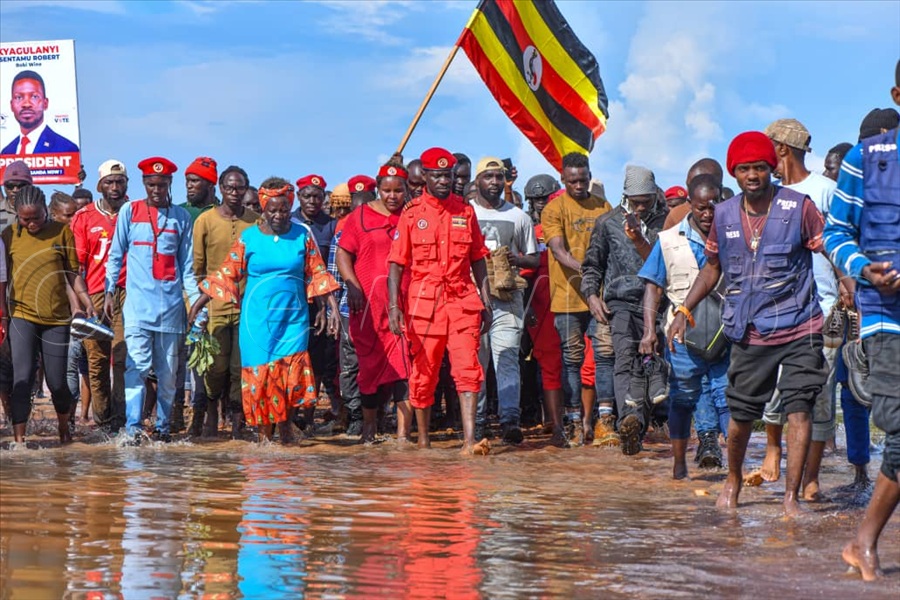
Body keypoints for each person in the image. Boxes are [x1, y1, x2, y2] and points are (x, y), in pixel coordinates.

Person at [668, 131, 826, 517]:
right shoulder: (723, 215)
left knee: (799, 409)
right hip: (750, 329)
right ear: (734, 174)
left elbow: (829, 248)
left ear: (772, 168)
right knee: (740, 415)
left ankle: (790, 496)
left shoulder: (799, 207)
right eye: (744, 169)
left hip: (800, 323)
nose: (752, 175)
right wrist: (683, 311)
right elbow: (712, 268)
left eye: (759, 167)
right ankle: (734, 479)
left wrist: (852, 285)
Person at [189, 177, 340, 444]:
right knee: (261, 377)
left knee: (289, 375)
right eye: (273, 210)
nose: (279, 215)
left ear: (289, 206)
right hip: (256, 321)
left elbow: (317, 272)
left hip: (293, 319)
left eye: (283, 209)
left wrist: (331, 309)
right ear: (264, 209)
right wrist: (198, 305)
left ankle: (285, 431)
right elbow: (227, 274)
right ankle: (264, 437)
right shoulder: (249, 238)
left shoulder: (302, 234)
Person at [825, 60, 900, 582]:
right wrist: (862, 269)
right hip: (885, 316)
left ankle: (863, 541)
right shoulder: (865, 158)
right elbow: (835, 232)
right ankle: (863, 541)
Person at [760, 118, 845, 500]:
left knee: (819, 395)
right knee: (775, 391)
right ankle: (774, 449)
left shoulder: (825, 191)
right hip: (775, 310)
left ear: (780, 149)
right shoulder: (769, 195)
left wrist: (847, 284)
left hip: (823, 307)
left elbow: (841, 240)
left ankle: (811, 476)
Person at [388, 147, 492, 454]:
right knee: (423, 373)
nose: (445, 181)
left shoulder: (466, 211)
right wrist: (394, 307)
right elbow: (396, 264)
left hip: (462, 301)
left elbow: (478, 259)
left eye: (448, 175)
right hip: (424, 304)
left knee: (469, 370)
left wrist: (484, 300)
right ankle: (423, 440)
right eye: (438, 175)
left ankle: (470, 441)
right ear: (426, 178)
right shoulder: (411, 214)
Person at [104, 157, 201, 445]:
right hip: (136, 310)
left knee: (169, 375)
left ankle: (162, 428)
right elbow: (115, 255)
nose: (156, 190)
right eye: (151, 184)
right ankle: (133, 427)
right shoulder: (129, 212)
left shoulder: (181, 218)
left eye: (161, 184)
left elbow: (188, 268)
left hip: (171, 312)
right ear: (144, 184)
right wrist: (110, 291)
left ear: (170, 184)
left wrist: (197, 305)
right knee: (137, 368)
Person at [639, 174, 730, 478]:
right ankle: (679, 466)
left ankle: (735, 469)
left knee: (728, 397)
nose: (708, 214)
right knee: (682, 397)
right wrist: (649, 331)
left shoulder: (733, 236)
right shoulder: (668, 241)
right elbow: (652, 286)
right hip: (682, 336)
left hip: (726, 333)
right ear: (690, 204)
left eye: (714, 206)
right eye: (702, 207)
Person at [582, 165, 669, 455]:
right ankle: (630, 420)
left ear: (656, 195)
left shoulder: (668, 222)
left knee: (652, 362)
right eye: (636, 202)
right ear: (625, 196)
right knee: (624, 359)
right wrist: (592, 296)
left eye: (646, 201)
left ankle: (639, 425)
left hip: (659, 302)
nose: (641, 207)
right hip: (620, 301)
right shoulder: (608, 223)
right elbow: (592, 265)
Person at [2, 185, 93, 443]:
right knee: (23, 377)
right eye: (25, 219)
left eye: (37, 217)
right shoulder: (9, 235)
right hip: (22, 315)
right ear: (17, 215)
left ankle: (64, 431)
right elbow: (3, 277)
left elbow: (72, 274)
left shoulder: (62, 232)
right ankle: (20, 441)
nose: (31, 224)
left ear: (47, 211)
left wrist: (86, 301)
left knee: (56, 382)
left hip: (57, 319)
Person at [337, 162, 413, 443]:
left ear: (406, 190)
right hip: (367, 307)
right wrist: (352, 285)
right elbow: (343, 255)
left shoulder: (412, 216)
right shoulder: (359, 217)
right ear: (377, 189)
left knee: (405, 369)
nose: (392, 196)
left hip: (404, 307)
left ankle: (403, 435)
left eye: (398, 190)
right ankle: (369, 430)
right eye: (386, 190)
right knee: (368, 369)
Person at [540, 152, 612, 445]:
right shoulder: (554, 209)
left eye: (583, 180)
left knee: (605, 355)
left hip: (602, 296)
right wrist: (589, 270)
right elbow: (558, 251)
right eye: (573, 181)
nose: (579, 186)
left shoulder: (602, 206)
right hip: (568, 297)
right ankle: (571, 423)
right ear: (563, 180)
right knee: (572, 359)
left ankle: (604, 421)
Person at [468, 157, 538, 444]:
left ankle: (510, 420)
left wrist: (516, 258)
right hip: (471, 298)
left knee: (508, 358)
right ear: (478, 182)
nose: (495, 182)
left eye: (499, 177)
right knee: (476, 362)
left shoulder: (519, 216)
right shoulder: (466, 213)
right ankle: (479, 421)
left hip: (508, 299)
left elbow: (534, 256)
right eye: (489, 177)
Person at [192, 165, 258, 438]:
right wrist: (197, 306)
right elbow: (197, 267)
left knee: (239, 366)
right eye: (229, 187)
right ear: (220, 188)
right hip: (214, 306)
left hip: (246, 306)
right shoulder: (205, 221)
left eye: (239, 187)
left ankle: (237, 423)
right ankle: (209, 412)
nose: (234, 192)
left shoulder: (255, 222)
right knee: (216, 366)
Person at [70, 159, 129, 435]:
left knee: (122, 355)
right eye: (109, 182)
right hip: (93, 294)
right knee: (96, 361)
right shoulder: (84, 217)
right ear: (100, 186)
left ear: (127, 184)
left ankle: (121, 420)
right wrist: (81, 304)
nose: (115, 187)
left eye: (120, 182)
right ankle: (103, 421)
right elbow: (76, 266)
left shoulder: (136, 212)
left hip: (128, 292)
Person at [522, 175, 568, 446]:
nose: (541, 203)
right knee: (549, 366)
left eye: (545, 198)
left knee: (579, 364)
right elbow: (524, 273)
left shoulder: (569, 228)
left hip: (572, 303)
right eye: (536, 199)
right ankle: (556, 425)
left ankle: (580, 420)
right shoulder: (529, 229)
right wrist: (527, 308)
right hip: (540, 307)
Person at [291, 173, 338, 422]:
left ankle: (309, 415)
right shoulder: (290, 223)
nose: (312, 200)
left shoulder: (331, 225)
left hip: (321, 301)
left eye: (317, 196)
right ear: (299, 196)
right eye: (307, 196)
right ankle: (291, 412)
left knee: (318, 360)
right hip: (294, 302)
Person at [2, 70, 78, 155]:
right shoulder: (6, 152)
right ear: (11, 105)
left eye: (34, 97)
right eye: (19, 97)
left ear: (45, 103)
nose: (26, 104)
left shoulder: (66, 149)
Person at [663, 158, 724, 230]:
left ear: (719, 189)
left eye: (697, 185)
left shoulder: (733, 214)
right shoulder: (676, 215)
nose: (688, 192)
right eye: (688, 186)